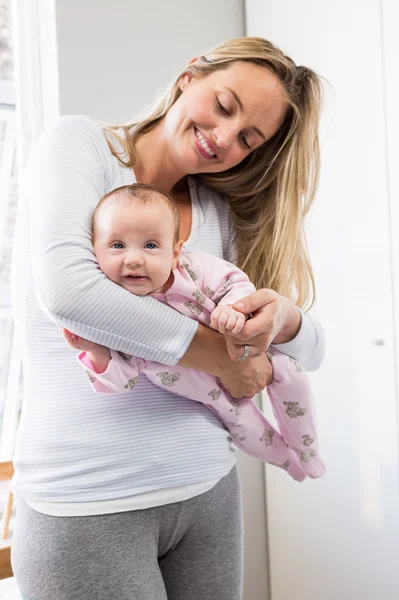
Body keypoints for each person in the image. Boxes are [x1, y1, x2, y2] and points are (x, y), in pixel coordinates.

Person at [11, 36, 325, 600]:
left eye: (248, 137)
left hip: (207, 494)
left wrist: (286, 321)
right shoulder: (81, 146)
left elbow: (309, 352)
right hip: (88, 505)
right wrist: (220, 361)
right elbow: (71, 293)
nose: (224, 138)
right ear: (190, 75)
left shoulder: (216, 212)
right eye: (224, 106)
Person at [63, 182, 325, 482]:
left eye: (150, 245)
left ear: (175, 253)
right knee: (247, 428)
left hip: (249, 351)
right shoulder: (113, 313)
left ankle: (308, 449)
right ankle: (289, 464)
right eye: (117, 245)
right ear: (95, 251)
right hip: (210, 395)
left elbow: (232, 281)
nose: (133, 259)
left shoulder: (192, 269)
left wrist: (232, 307)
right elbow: (122, 381)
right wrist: (95, 351)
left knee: (292, 375)